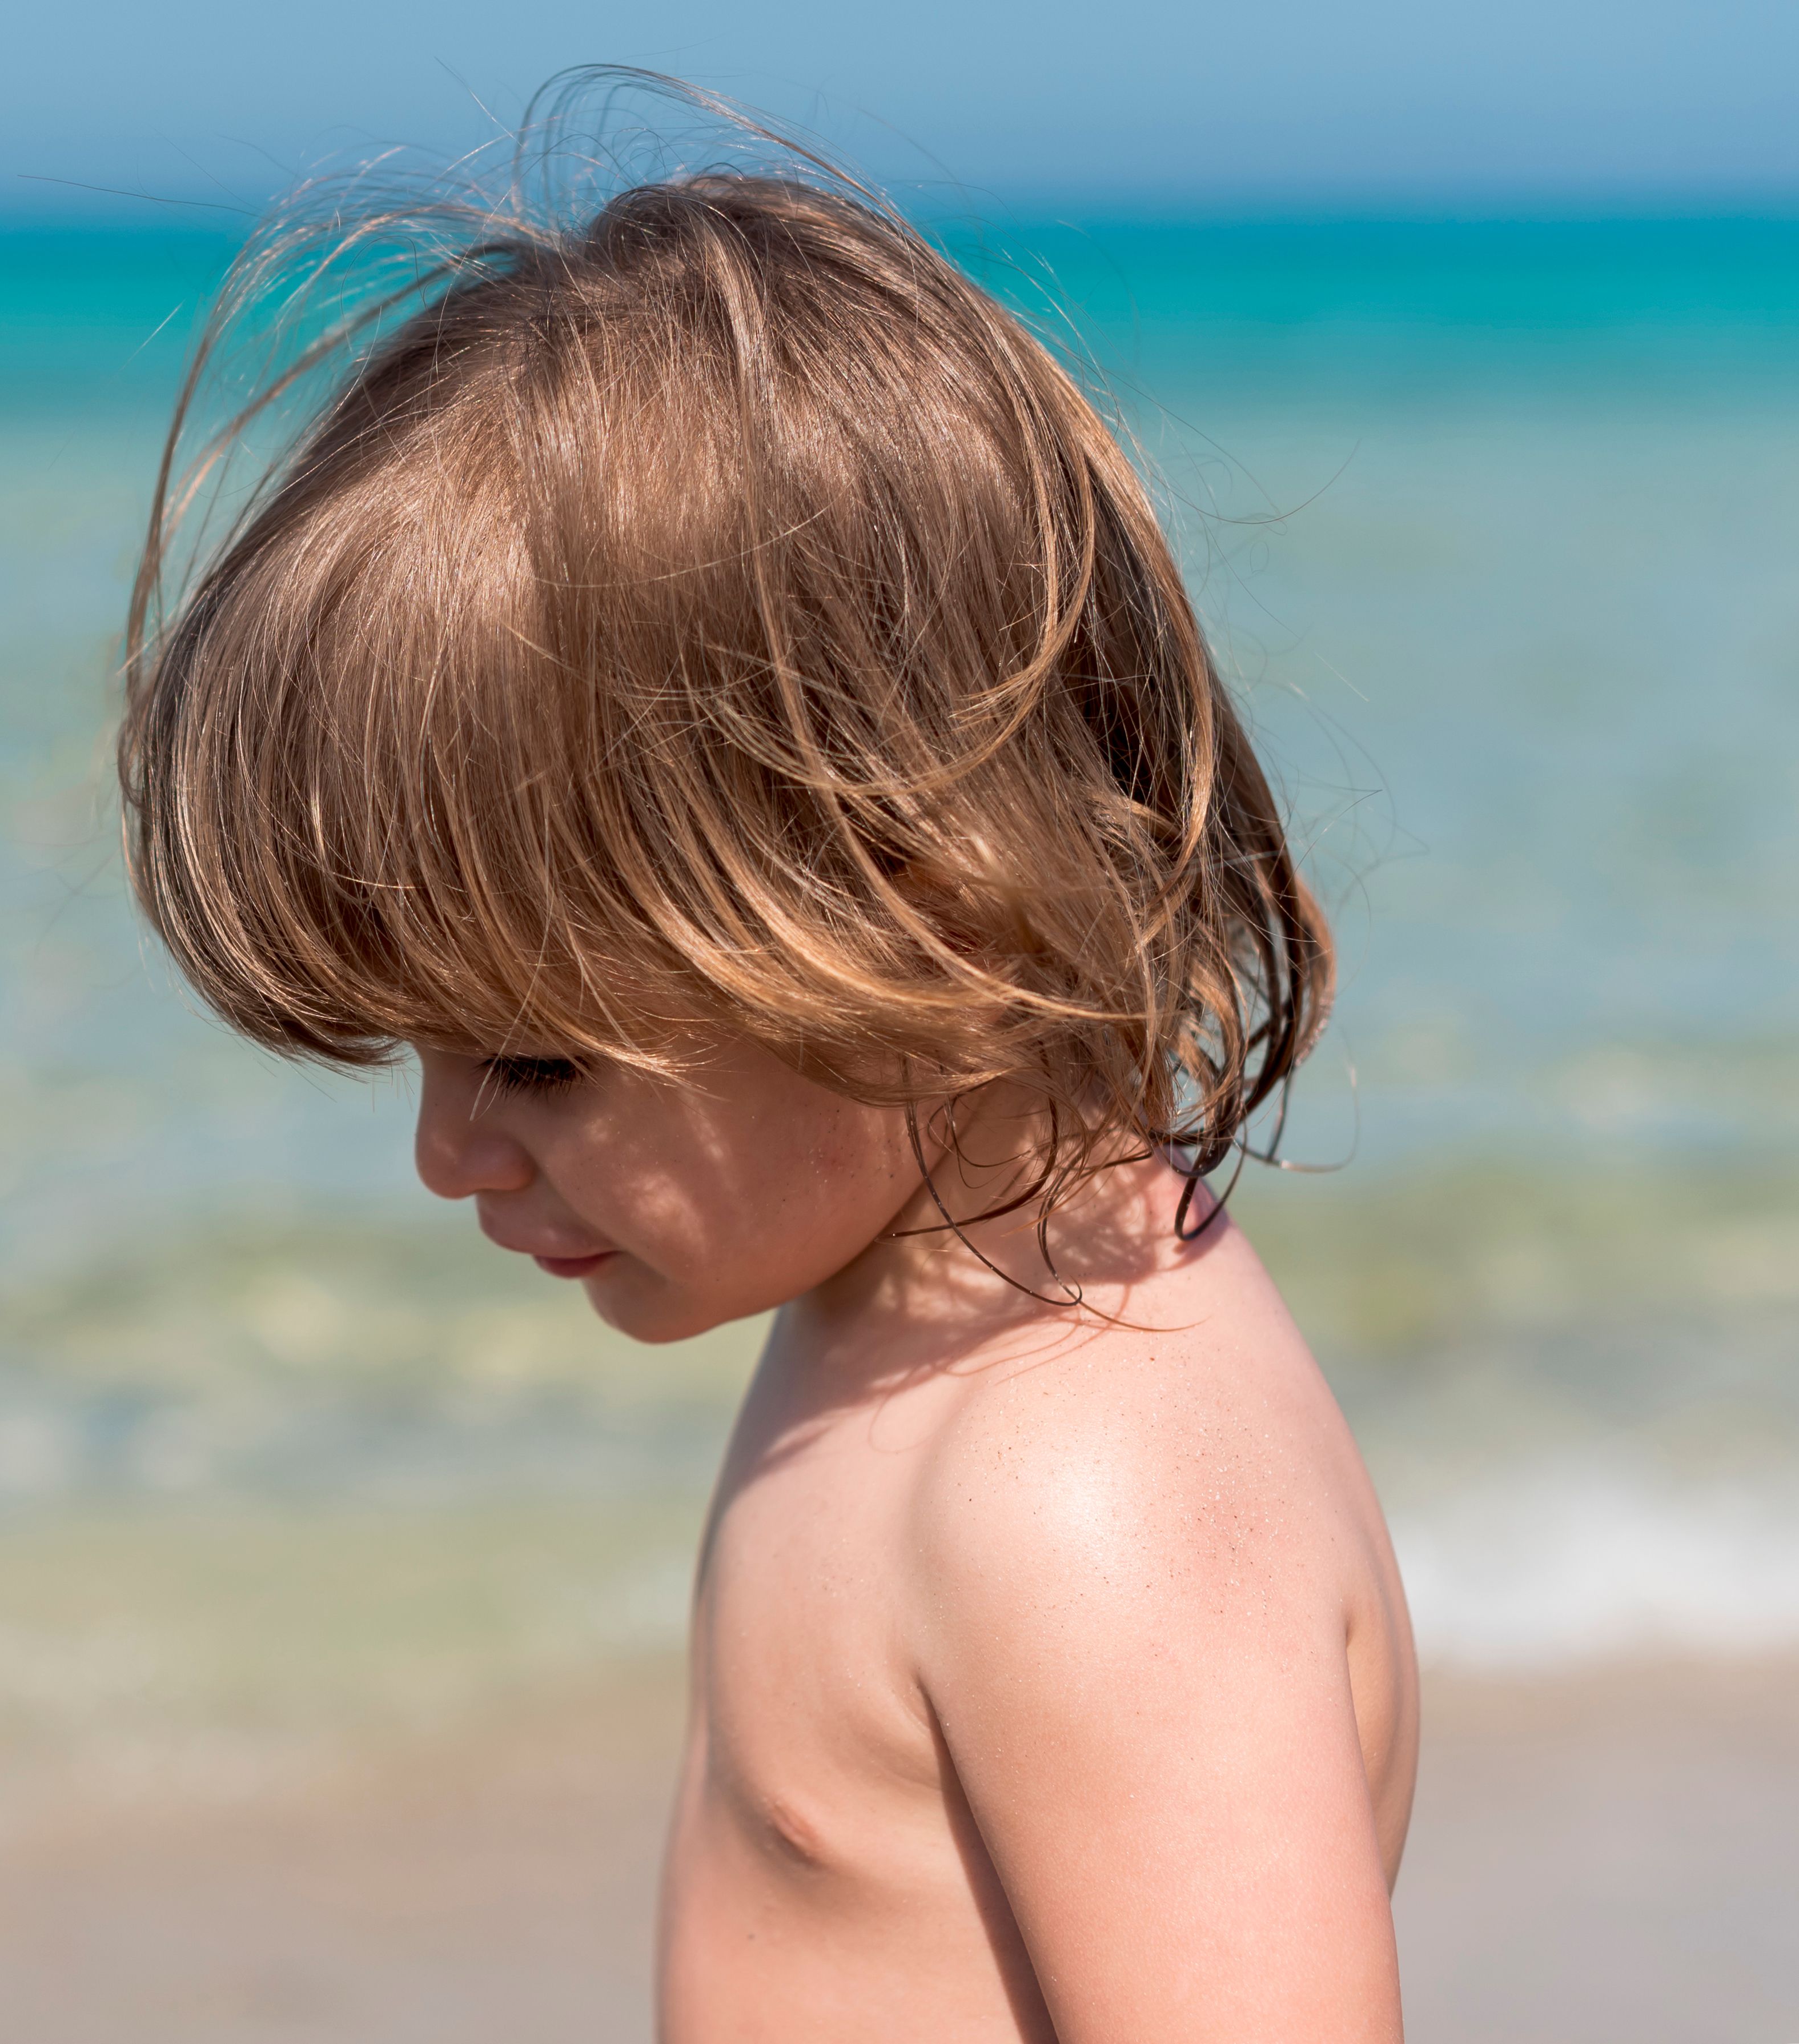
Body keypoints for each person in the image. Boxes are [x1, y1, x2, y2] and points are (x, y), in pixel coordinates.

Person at [117, 78, 1419, 2043]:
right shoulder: (904, 1322)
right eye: (423, 1050)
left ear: (930, 903)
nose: (447, 1155)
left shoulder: (1084, 1488)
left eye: (542, 1060)